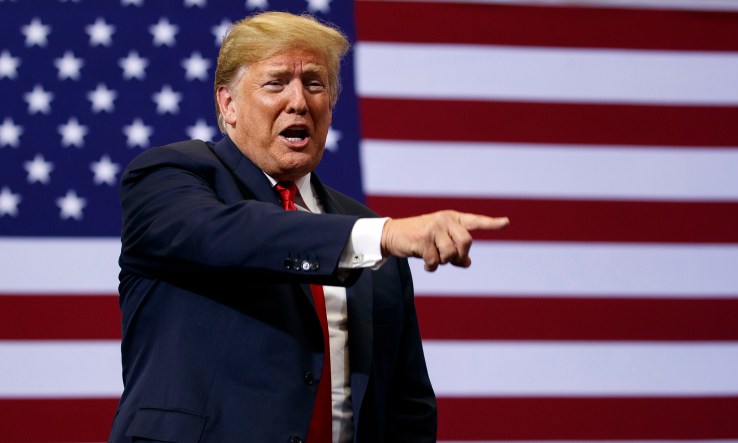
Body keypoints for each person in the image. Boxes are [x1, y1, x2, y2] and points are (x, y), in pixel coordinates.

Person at [108, 11, 508, 443]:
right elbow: (231, 234)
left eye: (314, 84)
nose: (299, 101)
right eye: (276, 83)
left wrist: (379, 235)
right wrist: (382, 236)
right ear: (228, 104)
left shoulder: (368, 230)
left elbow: (405, 404)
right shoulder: (168, 177)